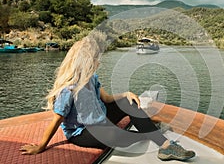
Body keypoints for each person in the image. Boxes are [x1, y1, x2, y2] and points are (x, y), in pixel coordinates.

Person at [19, 37, 195, 161]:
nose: (98, 61)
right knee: (113, 135)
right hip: (82, 133)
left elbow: (107, 99)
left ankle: (164, 147)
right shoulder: (69, 87)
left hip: (101, 120)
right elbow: (57, 119)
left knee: (128, 102)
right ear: (84, 61)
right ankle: (147, 133)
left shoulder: (92, 78)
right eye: (95, 58)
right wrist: (41, 146)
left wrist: (125, 94)